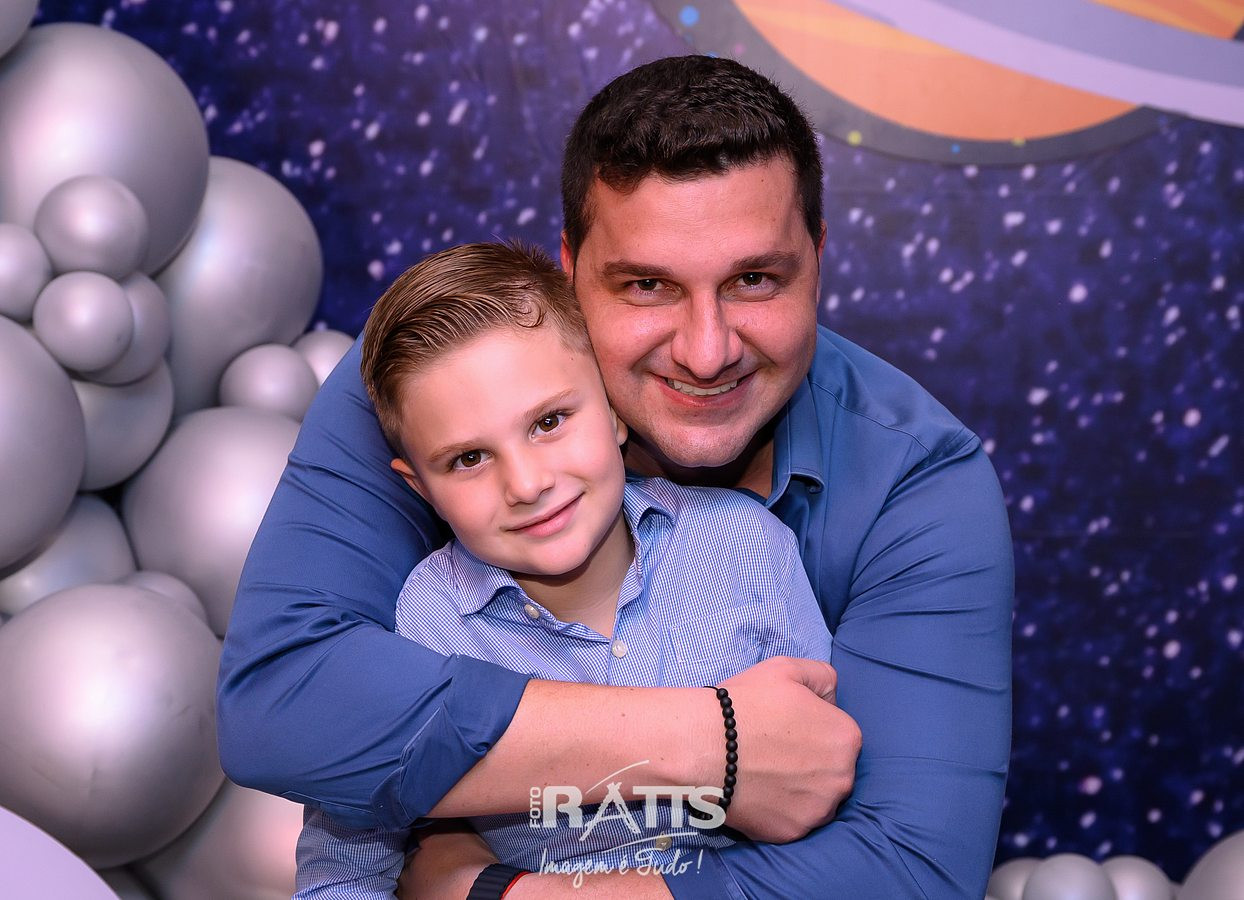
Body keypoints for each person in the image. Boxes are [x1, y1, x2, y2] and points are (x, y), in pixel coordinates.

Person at [219, 55, 1013, 899]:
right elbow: (280, 706)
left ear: (817, 260)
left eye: (754, 279)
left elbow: (911, 869)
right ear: (571, 267)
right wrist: (717, 744)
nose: (706, 351)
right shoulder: (436, 378)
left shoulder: (920, 485)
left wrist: (490, 891)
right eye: (646, 285)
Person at [293, 241, 834, 897]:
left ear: (614, 410)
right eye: (468, 459)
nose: (526, 484)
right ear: (420, 487)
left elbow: (835, 795)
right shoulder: (422, 625)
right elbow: (345, 867)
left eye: (549, 421)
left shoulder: (746, 549)